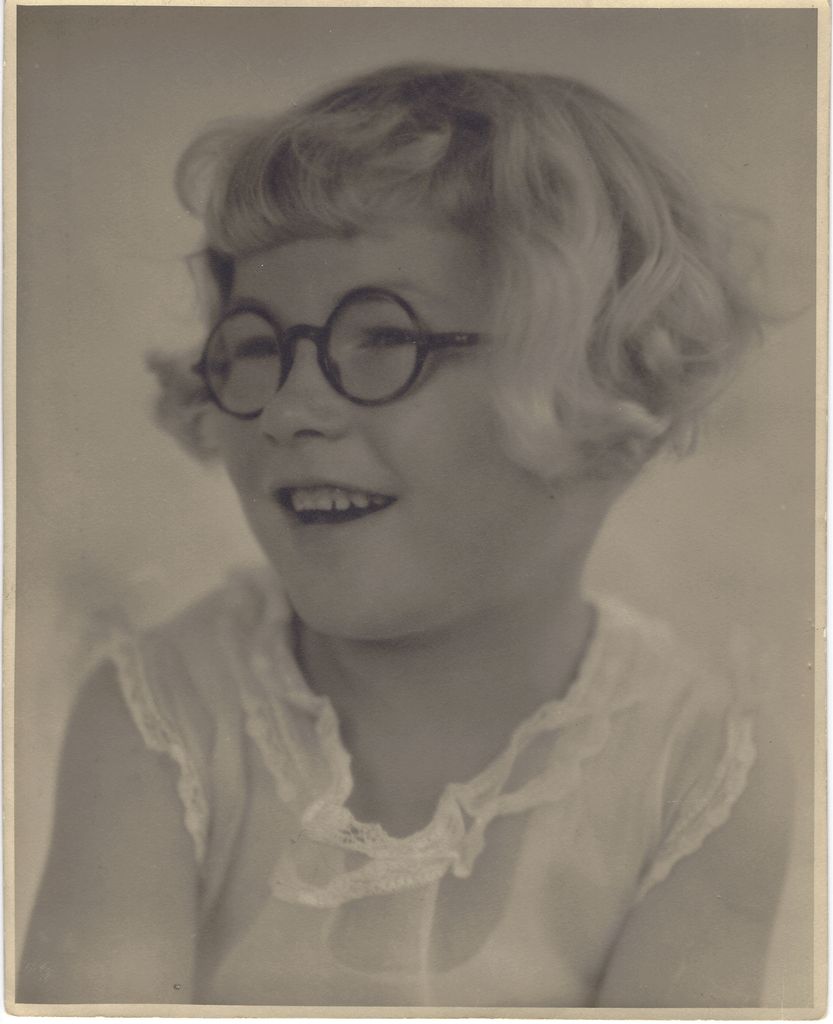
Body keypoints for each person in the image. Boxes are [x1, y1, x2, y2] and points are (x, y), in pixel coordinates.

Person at [19, 64, 792, 1008]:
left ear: (593, 389)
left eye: (384, 340)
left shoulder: (695, 766)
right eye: (258, 347)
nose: (290, 410)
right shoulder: (165, 718)